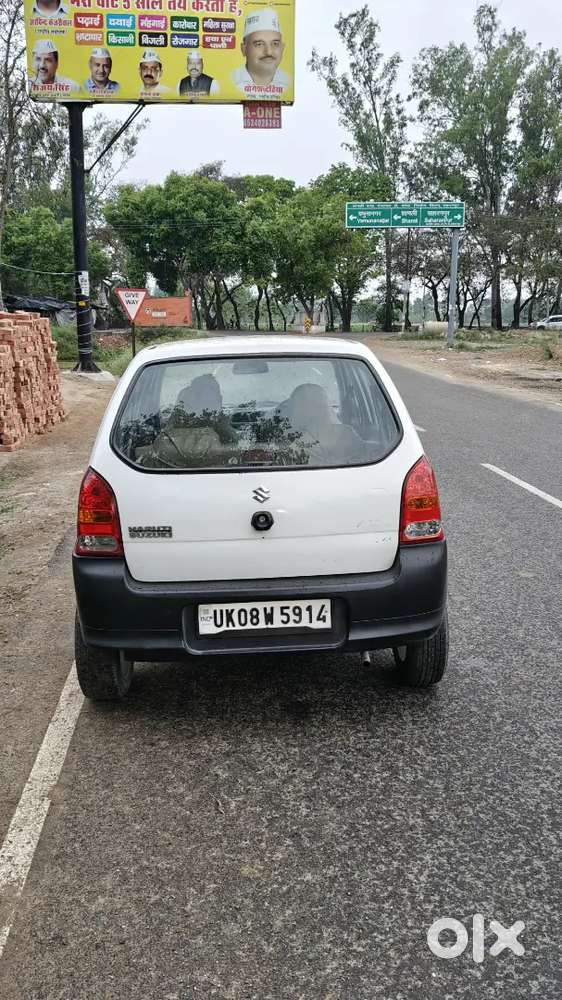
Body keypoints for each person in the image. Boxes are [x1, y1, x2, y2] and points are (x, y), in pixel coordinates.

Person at [232, 8, 290, 98]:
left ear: (282, 48)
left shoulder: (288, 83)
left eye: (275, 43)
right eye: (259, 44)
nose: (268, 52)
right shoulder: (232, 82)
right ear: (244, 49)